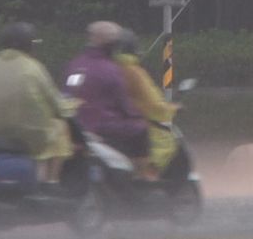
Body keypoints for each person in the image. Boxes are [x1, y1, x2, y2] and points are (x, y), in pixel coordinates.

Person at [0, 22, 78, 184]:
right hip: (26, 137)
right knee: (59, 131)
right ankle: (49, 181)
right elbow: (55, 102)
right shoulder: (33, 68)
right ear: (29, 44)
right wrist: (70, 108)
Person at [64, 21, 154, 179]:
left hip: (74, 127)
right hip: (104, 127)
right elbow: (124, 104)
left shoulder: (75, 64)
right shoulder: (112, 69)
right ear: (112, 45)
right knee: (141, 129)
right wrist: (138, 115)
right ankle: (141, 177)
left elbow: (68, 93)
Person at [114, 28, 181, 177]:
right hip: (138, 123)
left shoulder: (107, 69)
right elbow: (153, 102)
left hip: (109, 123)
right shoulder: (134, 72)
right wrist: (172, 109)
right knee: (165, 146)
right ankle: (149, 180)